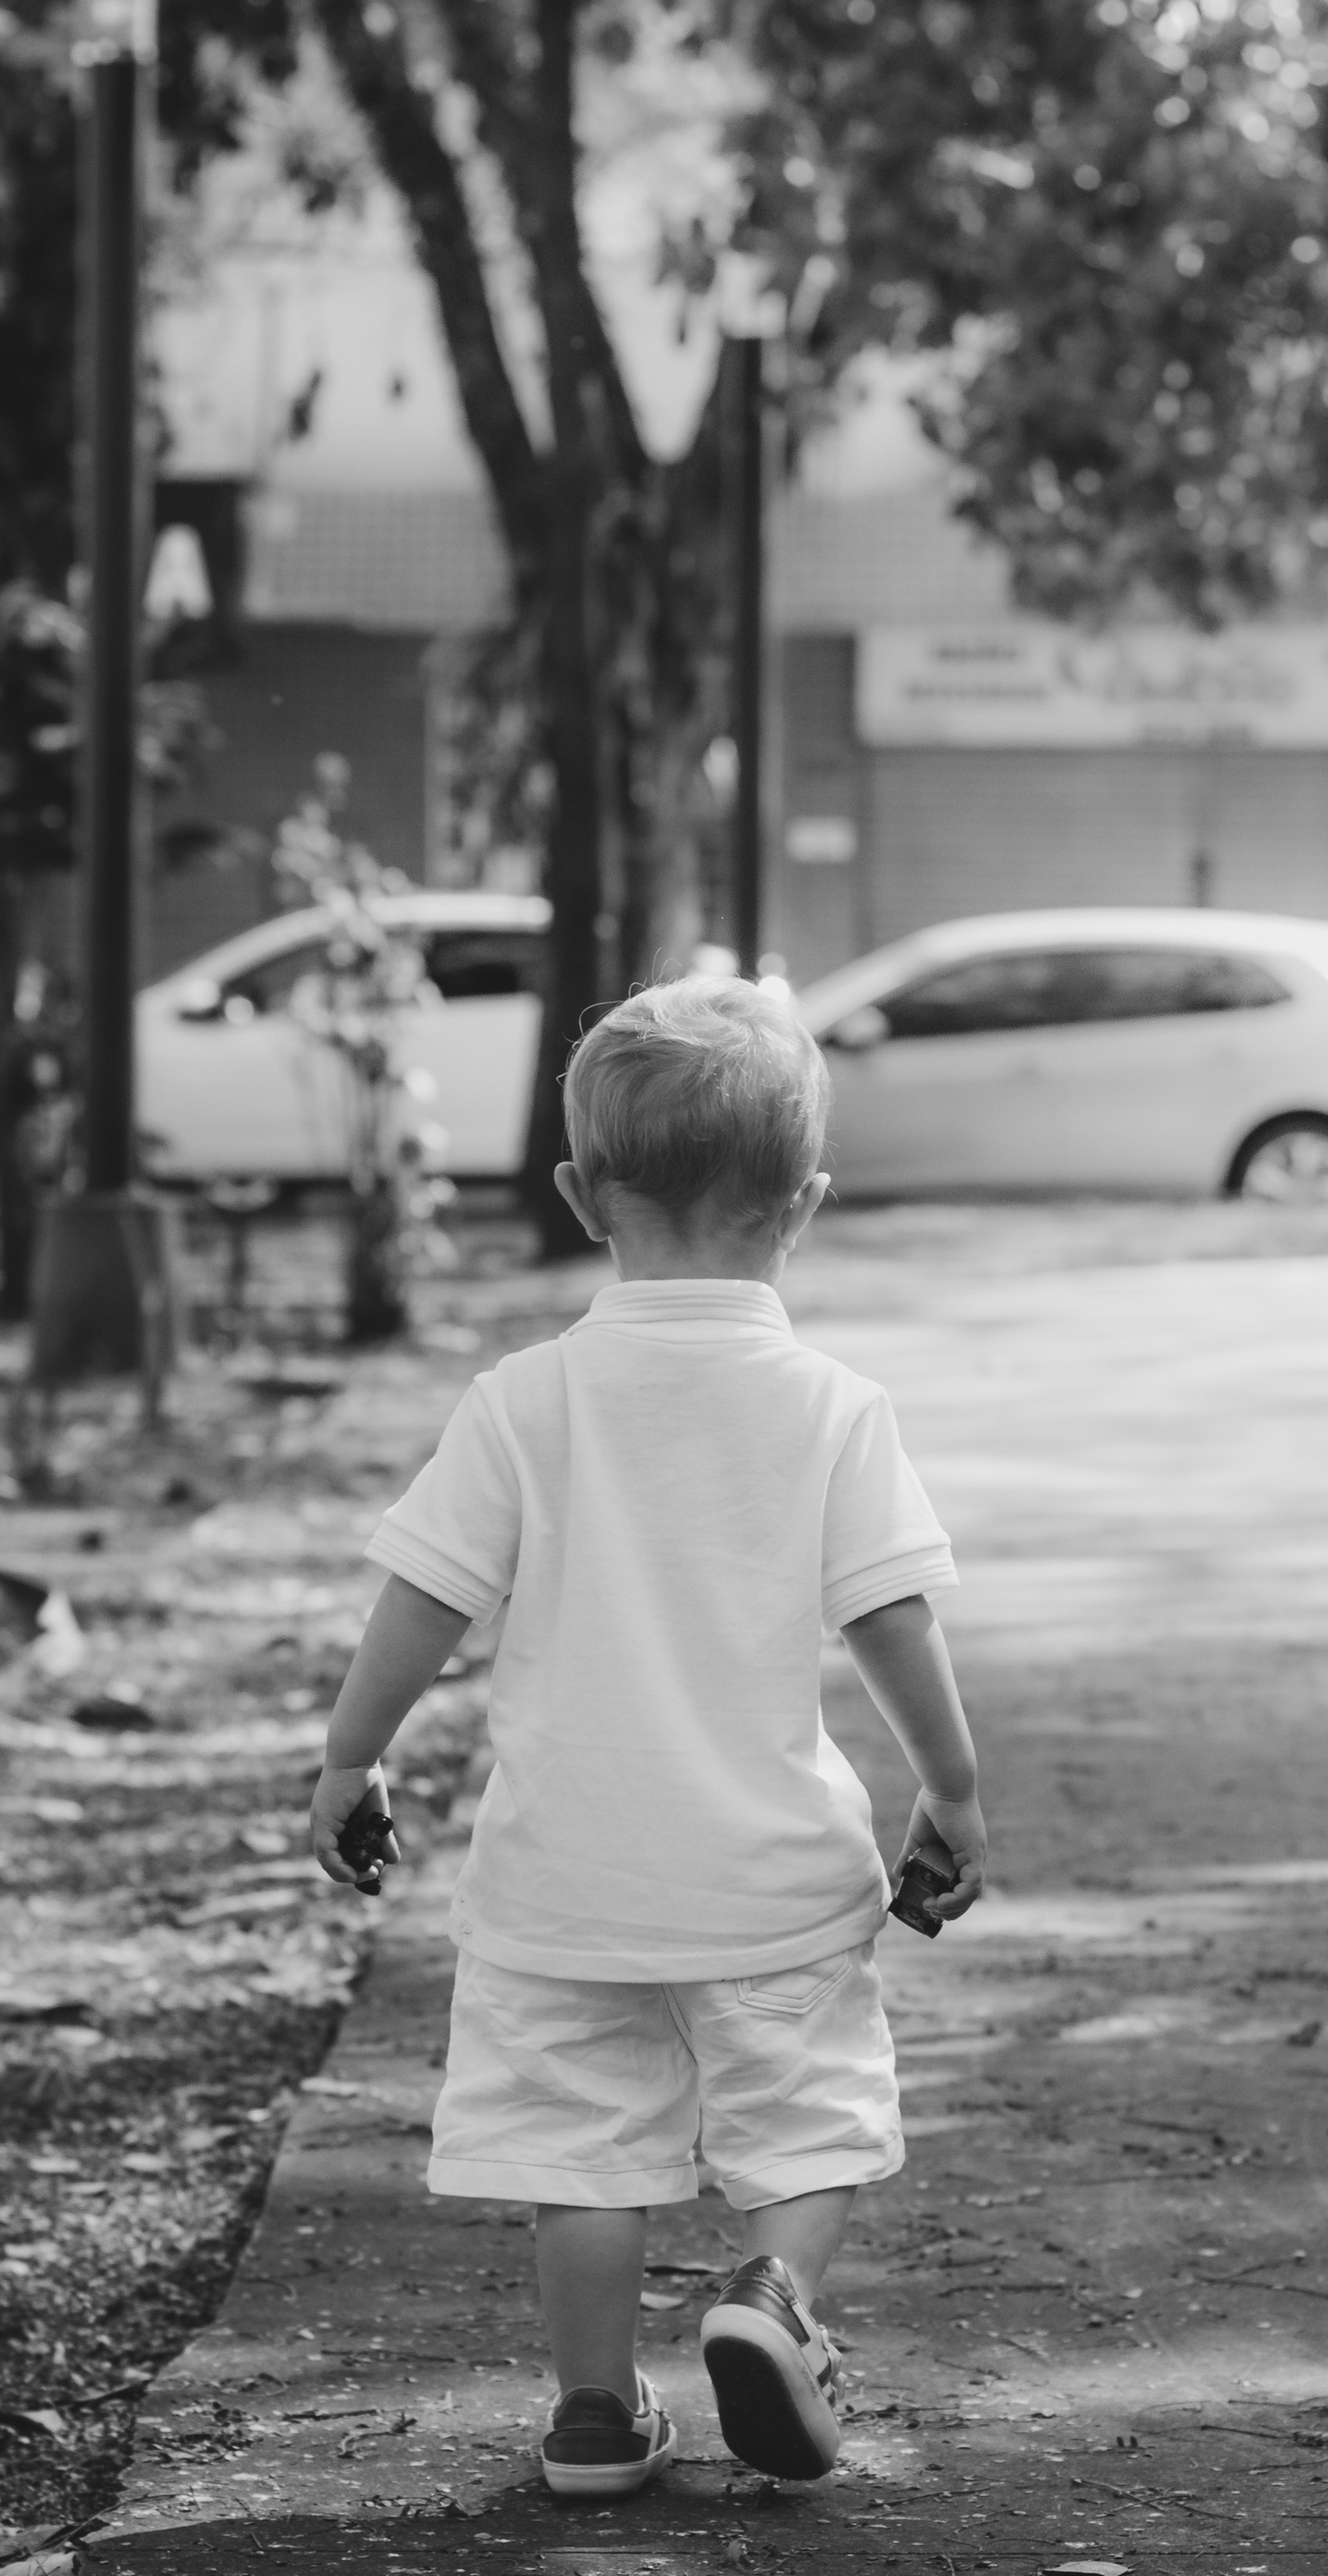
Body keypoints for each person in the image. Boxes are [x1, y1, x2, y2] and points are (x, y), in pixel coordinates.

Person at [308, 975, 985, 2499]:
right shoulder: (828, 1405)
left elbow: (426, 1600)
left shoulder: (524, 1401)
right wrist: (950, 1793)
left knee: (582, 2154)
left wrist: (350, 1762)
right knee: (813, 2120)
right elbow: (892, 1620)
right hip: (767, 1876)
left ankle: (597, 2420)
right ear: (803, 1203)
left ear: (577, 1193)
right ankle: (771, 2300)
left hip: (564, 1877)